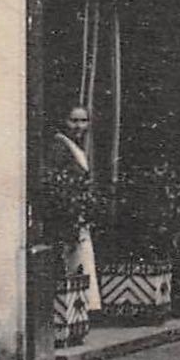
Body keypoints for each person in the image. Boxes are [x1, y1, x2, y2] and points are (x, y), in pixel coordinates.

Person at [48, 106, 101, 311]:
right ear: (64, 121)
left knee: (80, 263)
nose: (79, 126)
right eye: (74, 120)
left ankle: (80, 312)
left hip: (79, 218)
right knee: (73, 265)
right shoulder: (60, 146)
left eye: (83, 121)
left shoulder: (77, 148)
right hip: (68, 219)